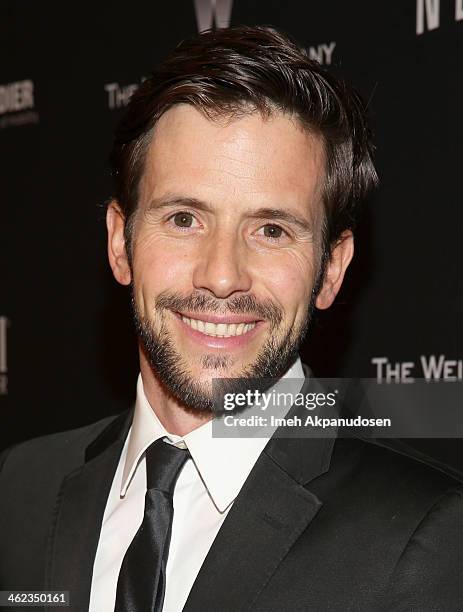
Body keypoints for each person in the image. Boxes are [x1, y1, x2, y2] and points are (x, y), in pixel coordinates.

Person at [1, 24, 463, 612]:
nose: (222, 275)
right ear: (120, 242)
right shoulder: (20, 486)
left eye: (271, 230)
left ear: (331, 269)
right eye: (184, 220)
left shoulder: (428, 541)